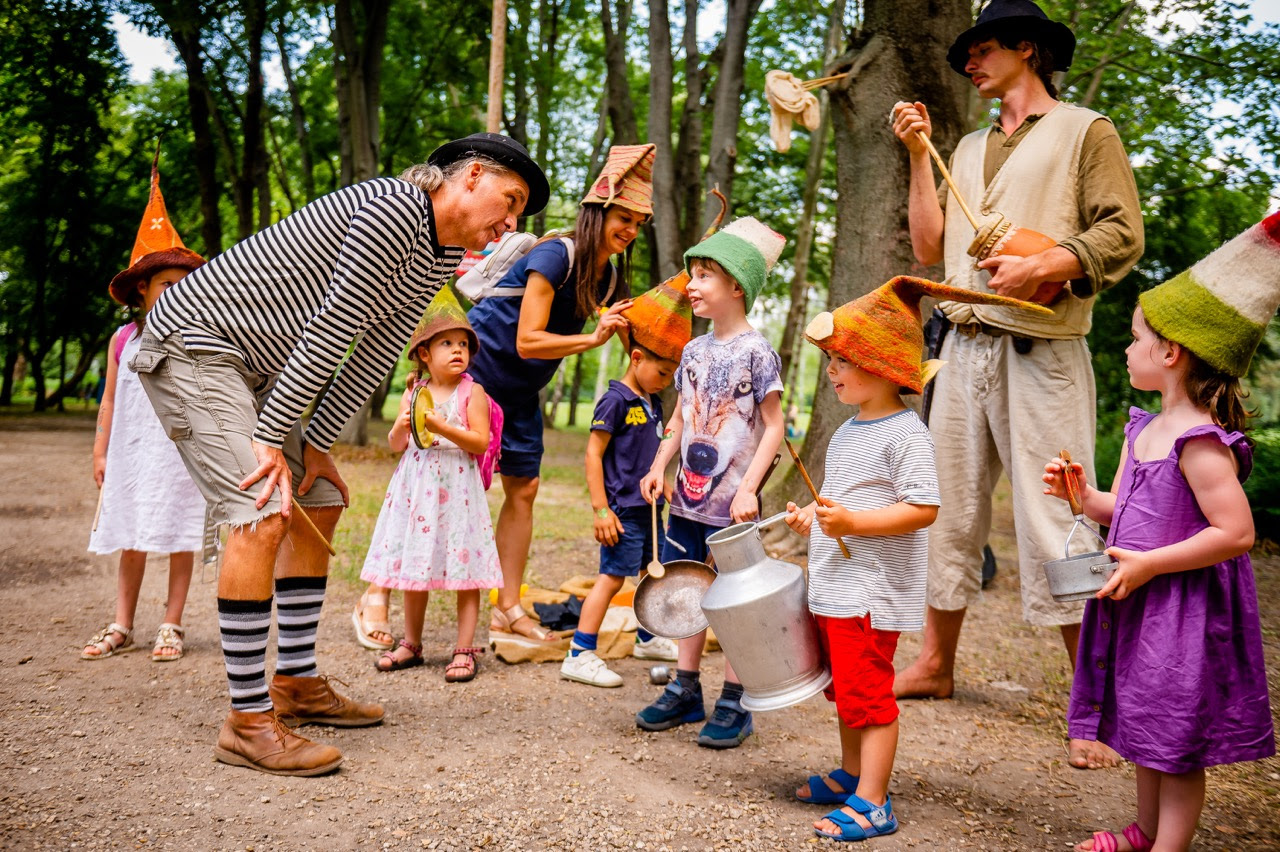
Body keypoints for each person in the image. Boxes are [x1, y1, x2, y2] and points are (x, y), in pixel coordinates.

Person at [134, 132, 548, 776]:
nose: (511, 222)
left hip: (257, 370)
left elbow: (379, 346)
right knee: (261, 506)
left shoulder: (438, 255)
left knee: (319, 499)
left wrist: (319, 444)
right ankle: (246, 721)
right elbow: (333, 328)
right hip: (194, 344)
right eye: (511, 199)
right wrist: (273, 439)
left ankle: (295, 685)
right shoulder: (392, 207)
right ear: (468, 177)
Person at [889, 0, 1144, 770]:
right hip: (963, 351)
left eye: (985, 48)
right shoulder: (963, 146)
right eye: (967, 52)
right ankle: (935, 664)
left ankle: (1090, 702)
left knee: (1058, 521)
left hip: (1043, 353)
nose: (970, 61)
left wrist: (1046, 264)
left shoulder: (1086, 131)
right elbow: (933, 245)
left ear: (1027, 52)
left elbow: (1121, 231)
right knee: (949, 509)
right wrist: (917, 154)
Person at [1044, 213, 1277, 852]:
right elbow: (1120, 507)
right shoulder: (1142, 429)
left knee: (1176, 739)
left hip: (1184, 610)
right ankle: (1144, 833)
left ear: (1170, 353)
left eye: (1136, 337)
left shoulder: (1202, 443)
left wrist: (1150, 564)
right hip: (1140, 601)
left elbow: (1236, 533)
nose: (1126, 346)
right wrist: (1082, 496)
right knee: (1147, 724)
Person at [786, 276, 1049, 841]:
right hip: (835, 585)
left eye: (840, 361)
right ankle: (853, 775)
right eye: (830, 360)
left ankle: (873, 802)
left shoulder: (907, 434)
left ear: (880, 366)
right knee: (847, 692)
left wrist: (851, 523)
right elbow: (845, 500)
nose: (830, 371)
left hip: (871, 594)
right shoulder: (846, 432)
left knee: (871, 696)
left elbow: (923, 509)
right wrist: (817, 514)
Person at [458, 144, 654, 648]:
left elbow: (634, 333)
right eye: (622, 217)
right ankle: (379, 595)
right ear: (597, 213)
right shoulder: (555, 254)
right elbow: (528, 339)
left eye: (638, 222)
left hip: (522, 391)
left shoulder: (607, 275)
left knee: (523, 490)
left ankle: (506, 608)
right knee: (451, 492)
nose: (630, 229)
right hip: (477, 379)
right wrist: (591, 339)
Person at [635, 217, 787, 748]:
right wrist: (658, 466)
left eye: (703, 276)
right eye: (691, 275)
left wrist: (749, 487)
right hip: (686, 502)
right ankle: (685, 688)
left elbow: (774, 426)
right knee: (688, 590)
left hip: (734, 507)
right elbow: (681, 416)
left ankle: (735, 699)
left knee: (734, 602)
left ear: (736, 287)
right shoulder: (693, 351)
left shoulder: (757, 351)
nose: (691, 286)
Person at [83, 155, 207, 664]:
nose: (175, 293)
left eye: (184, 285)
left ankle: (172, 622)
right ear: (142, 290)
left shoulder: (197, 338)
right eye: (164, 285)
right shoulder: (122, 340)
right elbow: (111, 400)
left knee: (180, 533)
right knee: (131, 533)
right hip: (133, 453)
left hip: (179, 454)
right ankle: (122, 622)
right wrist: (100, 450)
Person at [359, 289, 500, 681]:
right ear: (424, 353)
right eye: (447, 344)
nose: (458, 351)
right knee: (415, 563)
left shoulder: (473, 393)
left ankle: (465, 647)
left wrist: (442, 425)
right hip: (417, 487)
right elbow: (397, 445)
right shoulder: (414, 391)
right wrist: (399, 426)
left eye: (463, 344)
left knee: (464, 566)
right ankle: (411, 642)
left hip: (457, 490)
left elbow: (479, 442)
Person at [560, 275, 692, 687]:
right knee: (611, 577)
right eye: (662, 370)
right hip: (622, 511)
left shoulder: (653, 401)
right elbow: (593, 454)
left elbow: (650, 454)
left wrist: (664, 481)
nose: (666, 380)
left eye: (672, 374)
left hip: (651, 508)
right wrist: (600, 509)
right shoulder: (615, 399)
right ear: (636, 358)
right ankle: (579, 653)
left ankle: (648, 637)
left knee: (653, 574)